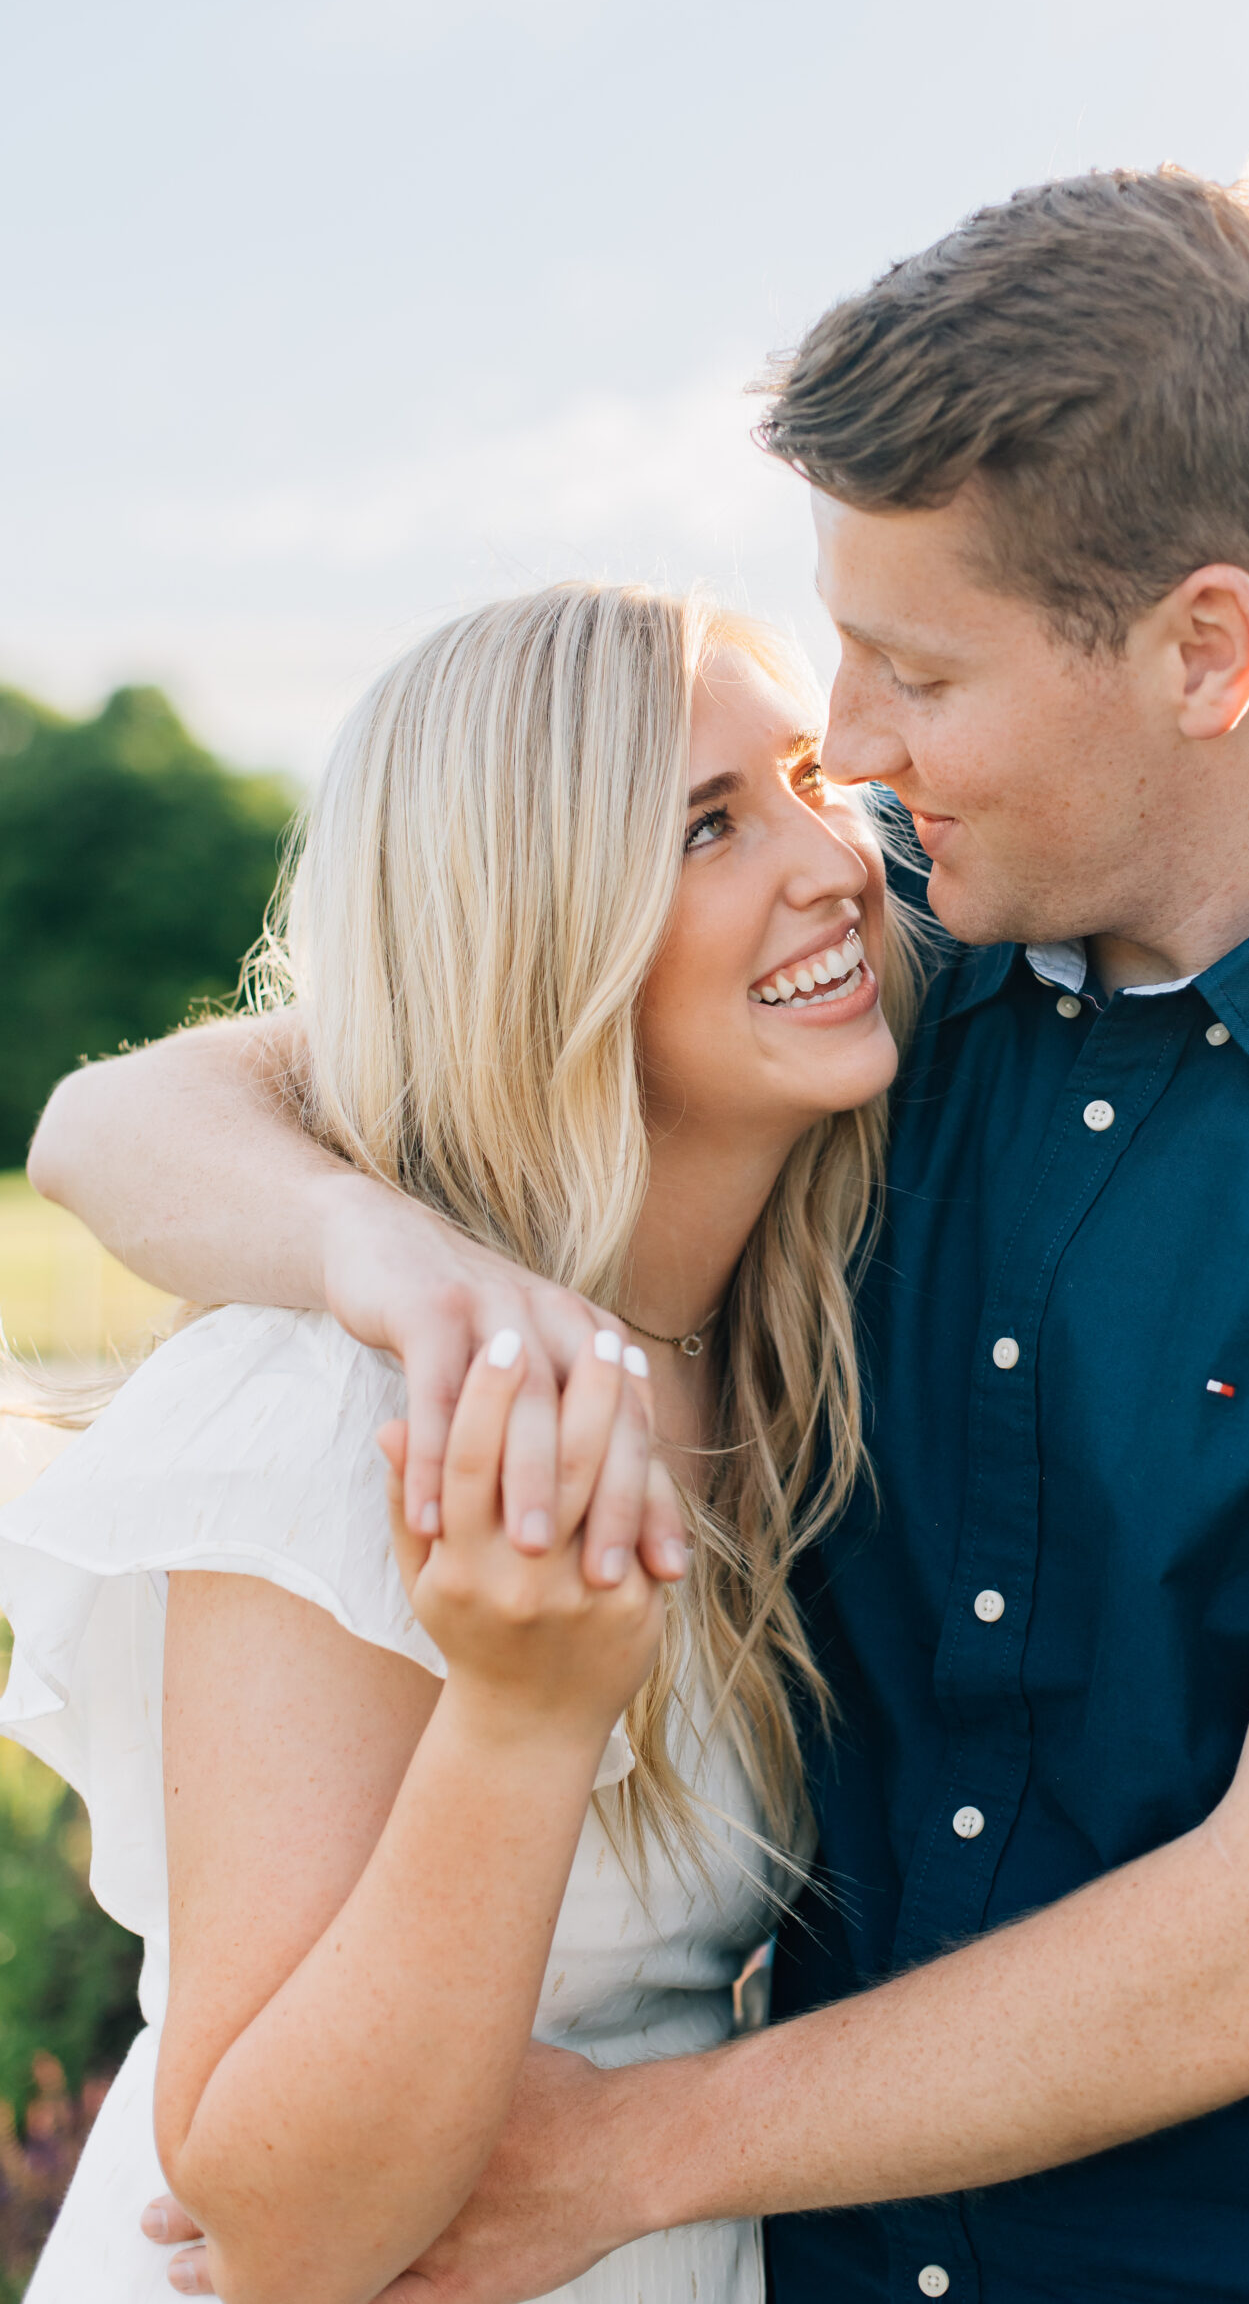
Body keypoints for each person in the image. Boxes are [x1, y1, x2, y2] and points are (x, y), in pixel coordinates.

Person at [33, 168, 1249, 2303]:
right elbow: (149, 1106)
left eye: (912, 669)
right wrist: (392, 1265)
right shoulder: (922, 962)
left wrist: (637, 2153)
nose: (855, 752)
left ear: (1208, 651)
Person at [1, 581, 924, 2303]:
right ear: (538, 931)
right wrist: (529, 1712)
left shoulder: (774, 1327)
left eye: (812, 775)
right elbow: (279, 2234)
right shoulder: (352, 1409)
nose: (833, 858)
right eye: (710, 826)